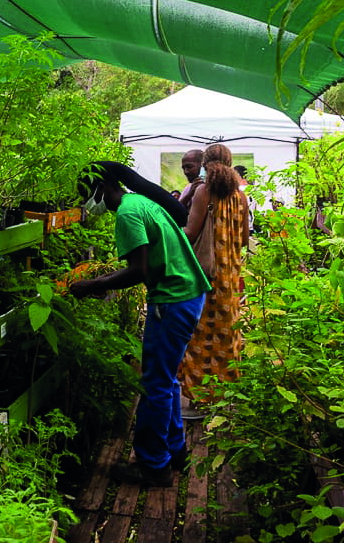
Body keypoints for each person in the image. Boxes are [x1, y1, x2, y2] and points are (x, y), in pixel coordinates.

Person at [70, 161, 210, 487]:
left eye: (85, 195)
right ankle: (175, 451)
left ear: (102, 188)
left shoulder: (127, 214)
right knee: (166, 380)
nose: (85, 203)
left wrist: (93, 284)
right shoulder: (140, 202)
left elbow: (139, 271)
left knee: (154, 385)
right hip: (188, 294)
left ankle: (153, 466)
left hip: (173, 300)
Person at [179, 144, 250, 413]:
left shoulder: (203, 191)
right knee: (225, 332)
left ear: (205, 164)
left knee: (198, 335)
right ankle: (224, 395)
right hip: (230, 277)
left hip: (204, 274)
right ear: (231, 164)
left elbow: (191, 232)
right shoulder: (240, 197)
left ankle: (197, 399)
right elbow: (243, 239)